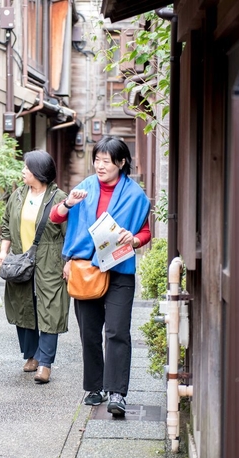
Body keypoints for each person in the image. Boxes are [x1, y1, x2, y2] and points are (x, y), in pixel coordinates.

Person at [50, 136, 151, 415]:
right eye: (97, 160)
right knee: (90, 333)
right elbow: (55, 218)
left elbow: (145, 232)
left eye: (106, 161)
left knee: (117, 331)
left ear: (121, 163)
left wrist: (134, 240)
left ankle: (117, 392)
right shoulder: (83, 189)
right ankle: (94, 387)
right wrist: (68, 203)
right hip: (85, 269)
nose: (100, 165)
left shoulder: (135, 196)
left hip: (119, 270)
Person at [0, 150, 69, 384]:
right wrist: (3, 251)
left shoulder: (59, 198)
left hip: (50, 257)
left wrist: (68, 262)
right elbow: (7, 224)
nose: (22, 171)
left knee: (50, 306)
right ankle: (31, 355)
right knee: (23, 304)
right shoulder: (18, 195)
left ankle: (46, 363)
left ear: (38, 171)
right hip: (20, 255)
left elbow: (69, 234)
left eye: (26, 168)